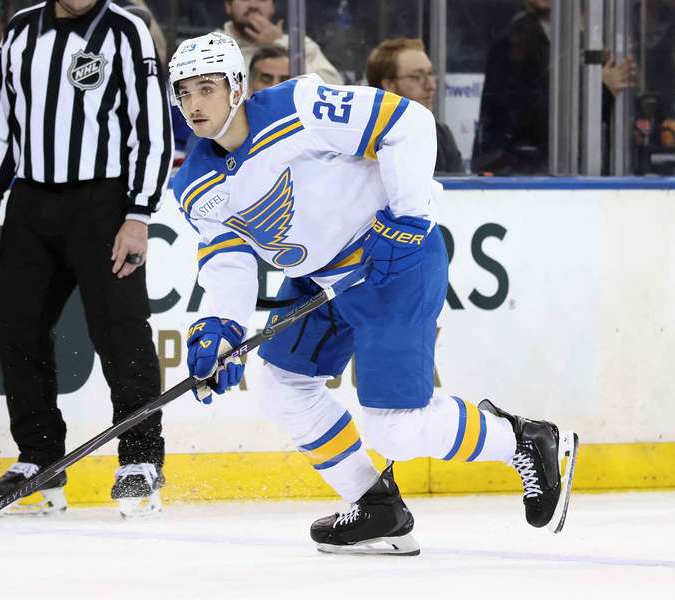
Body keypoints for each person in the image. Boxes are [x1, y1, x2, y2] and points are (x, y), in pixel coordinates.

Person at [168, 31, 578, 554]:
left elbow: (407, 122)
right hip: (323, 280)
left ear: (237, 86)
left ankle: (526, 440)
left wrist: (407, 217)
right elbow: (228, 260)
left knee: (397, 430)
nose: (194, 103)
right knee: (282, 383)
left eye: (207, 87)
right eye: (184, 92)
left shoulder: (298, 105)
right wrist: (221, 327)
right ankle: (375, 505)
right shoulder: (193, 184)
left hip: (393, 262)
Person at [0, 0, 172, 518]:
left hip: (103, 204)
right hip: (31, 200)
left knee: (120, 330)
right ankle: (39, 456)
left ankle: (141, 459)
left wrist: (139, 212)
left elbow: (150, 124)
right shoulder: (20, 29)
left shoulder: (126, 30)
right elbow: (1, 120)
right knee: (16, 327)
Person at [472, 0, 636, 174]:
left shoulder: (573, 39)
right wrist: (599, 89)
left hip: (553, 169)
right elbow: (536, 119)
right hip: (516, 174)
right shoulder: (513, 41)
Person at [366, 38, 463, 175]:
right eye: (417, 77)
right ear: (389, 86)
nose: (431, 86)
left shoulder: (440, 134)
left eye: (430, 74)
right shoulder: (364, 138)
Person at [222, 0, 343, 85]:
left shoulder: (299, 44)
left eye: (262, 0)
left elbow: (334, 85)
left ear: (273, 7)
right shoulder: (213, 47)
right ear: (228, 5)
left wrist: (278, 43)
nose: (253, 5)